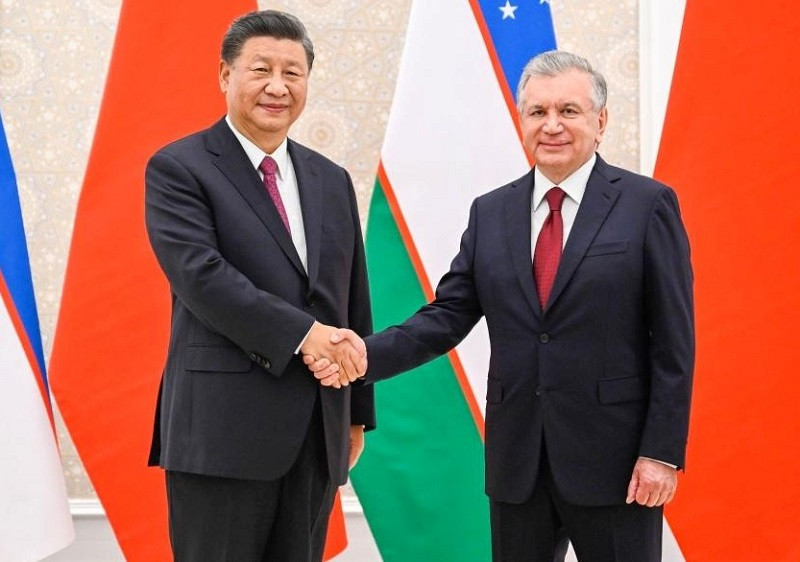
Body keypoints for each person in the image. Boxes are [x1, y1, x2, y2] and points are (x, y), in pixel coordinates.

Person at [309, 50, 694, 561]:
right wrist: (360, 356)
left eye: (568, 111)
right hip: (519, 464)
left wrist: (661, 453)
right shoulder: (491, 212)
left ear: (600, 122)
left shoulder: (648, 205)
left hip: (619, 465)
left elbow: (674, 342)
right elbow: (444, 318)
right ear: (523, 121)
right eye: (537, 113)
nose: (551, 125)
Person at [144, 10, 373, 561]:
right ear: (226, 76)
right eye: (260, 69)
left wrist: (358, 410)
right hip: (220, 433)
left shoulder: (330, 178)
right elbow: (203, 278)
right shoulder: (179, 168)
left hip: (317, 430)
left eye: (293, 73)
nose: (277, 86)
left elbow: (351, 296)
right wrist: (307, 336)